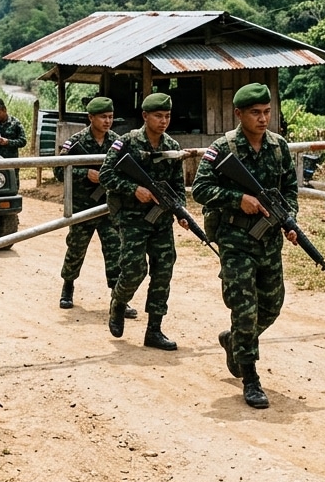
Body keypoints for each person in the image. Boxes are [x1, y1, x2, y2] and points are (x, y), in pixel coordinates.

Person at [191, 83, 296, 409]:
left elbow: (290, 188)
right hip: (236, 241)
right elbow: (200, 188)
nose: (264, 118)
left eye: (267, 112)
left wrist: (288, 218)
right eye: (256, 113)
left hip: (268, 241)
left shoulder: (278, 147)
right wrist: (239, 200)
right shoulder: (223, 148)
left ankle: (235, 340)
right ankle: (250, 378)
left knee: (273, 304)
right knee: (245, 309)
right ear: (239, 114)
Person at [99, 92, 189, 351]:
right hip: (132, 219)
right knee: (134, 270)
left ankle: (154, 329)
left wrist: (179, 210)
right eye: (158, 116)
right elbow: (106, 175)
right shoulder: (126, 142)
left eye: (167, 116)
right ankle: (118, 302)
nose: (163, 121)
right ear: (145, 116)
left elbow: (176, 185)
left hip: (160, 220)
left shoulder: (171, 146)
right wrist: (133, 189)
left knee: (163, 269)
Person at [55, 97, 133, 318]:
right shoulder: (75, 142)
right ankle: (67, 288)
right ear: (91, 118)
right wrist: (85, 173)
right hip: (82, 208)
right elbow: (59, 171)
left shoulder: (117, 142)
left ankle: (119, 300)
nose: (107, 121)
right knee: (76, 249)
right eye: (103, 117)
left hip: (108, 209)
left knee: (115, 252)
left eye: (110, 117)